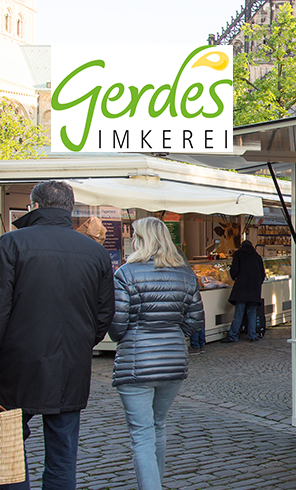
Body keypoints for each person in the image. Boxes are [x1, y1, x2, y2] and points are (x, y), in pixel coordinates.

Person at [0, 181, 115, 490]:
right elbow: (104, 315)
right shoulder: (95, 252)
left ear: (34, 207)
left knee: (9, 453)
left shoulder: (10, 244)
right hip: (69, 365)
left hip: (14, 368)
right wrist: (78, 343)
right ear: (69, 208)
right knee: (63, 454)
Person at [109, 217, 204, 490]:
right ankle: (155, 482)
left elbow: (117, 326)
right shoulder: (185, 274)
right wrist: (173, 332)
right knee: (158, 425)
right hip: (173, 361)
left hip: (136, 362)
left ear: (139, 240)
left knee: (141, 434)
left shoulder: (126, 273)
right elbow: (195, 322)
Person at [221, 240, 265, 343]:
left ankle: (233, 336)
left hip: (241, 289)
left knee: (238, 314)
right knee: (252, 313)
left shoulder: (238, 254)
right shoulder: (257, 256)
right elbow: (262, 274)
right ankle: (252, 335)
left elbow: (234, 272)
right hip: (254, 290)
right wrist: (257, 284)